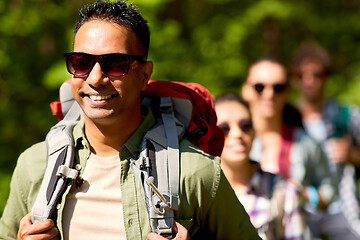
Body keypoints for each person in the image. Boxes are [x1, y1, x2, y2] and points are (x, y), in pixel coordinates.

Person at [0, 1, 260, 239]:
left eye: (115, 64)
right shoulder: (35, 166)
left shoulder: (195, 172)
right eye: (81, 62)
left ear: (145, 74)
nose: (95, 78)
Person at [241, 58, 336, 235]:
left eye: (278, 87)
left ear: (287, 92)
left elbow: (329, 190)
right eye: (259, 87)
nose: (269, 94)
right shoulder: (230, 142)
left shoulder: (306, 143)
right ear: (245, 90)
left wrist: (306, 194)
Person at [291, 42, 360, 239]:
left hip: (343, 210)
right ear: (294, 80)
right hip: (300, 211)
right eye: (301, 75)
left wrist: (352, 155)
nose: (308, 81)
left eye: (316, 74)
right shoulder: (287, 121)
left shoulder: (347, 116)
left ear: (326, 76)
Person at [214, 92, 306, 240]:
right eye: (224, 128)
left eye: (245, 125)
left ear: (254, 131)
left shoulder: (285, 193)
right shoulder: (199, 195)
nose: (237, 133)